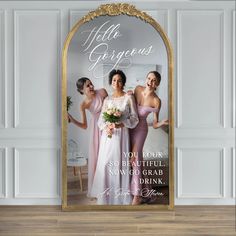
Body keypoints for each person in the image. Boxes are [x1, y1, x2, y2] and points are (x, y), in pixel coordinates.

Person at [90, 69, 139, 205]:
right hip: (108, 137)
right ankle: (105, 196)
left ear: (123, 83)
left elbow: (134, 119)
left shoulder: (129, 98)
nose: (116, 83)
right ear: (111, 82)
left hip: (122, 136)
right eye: (114, 80)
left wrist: (122, 124)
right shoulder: (107, 99)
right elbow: (100, 120)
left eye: (119, 80)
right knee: (105, 164)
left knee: (118, 164)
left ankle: (119, 197)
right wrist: (107, 127)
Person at [129, 71, 169, 205]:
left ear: (157, 84)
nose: (150, 82)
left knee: (135, 158)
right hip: (129, 127)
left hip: (141, 129)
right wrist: (127, 96)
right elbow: (130, 107)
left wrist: (162, 123)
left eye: (154, 80)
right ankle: (143, 190)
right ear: (146, 79)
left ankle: (137, 195)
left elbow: (155, 124)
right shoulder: (137, 89)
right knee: (132, 158)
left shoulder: (156, 100)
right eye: (149, 78)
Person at [68, 77, 107, 197]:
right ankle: (99, 188)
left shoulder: (102, 92)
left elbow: (113, 104)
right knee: (98, 157)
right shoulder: (84, 104)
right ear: (82, 90)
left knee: (107, 156)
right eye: (87, 86)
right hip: (96, 129)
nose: (91, 87)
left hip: (108, 124)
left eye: (91, 84)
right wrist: (72, 120)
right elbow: (84, 126)